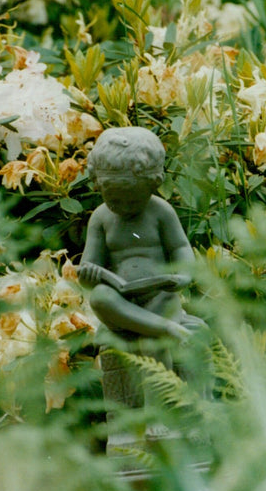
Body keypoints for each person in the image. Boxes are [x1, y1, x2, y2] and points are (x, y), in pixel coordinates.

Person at [78, 126, 204, 345]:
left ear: (153, 186)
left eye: (134, 201)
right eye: (115, 201)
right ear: (98, 186)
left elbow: (180, 248)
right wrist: (88, 274)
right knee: (99, 297)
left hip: (159, 295)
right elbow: (89, 265)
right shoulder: (100, 218)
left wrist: (183, 276)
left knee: (156, 348)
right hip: (121, 302)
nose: (125, 208)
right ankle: (165, 328)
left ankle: (161, 328)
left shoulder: (160, 211)